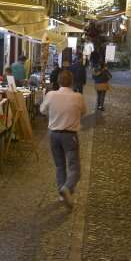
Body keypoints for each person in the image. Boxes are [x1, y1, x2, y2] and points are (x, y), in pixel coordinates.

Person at [39, 70, 86, 209]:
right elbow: (83, 112)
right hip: (70, 136)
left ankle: (62, 195)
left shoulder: (51, 95)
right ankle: (67, 188)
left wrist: (53, 113)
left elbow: (42, 110)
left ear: (58, 81)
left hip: (54, 134)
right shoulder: (78, 97)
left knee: (60, 166)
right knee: (75, 168)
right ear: (72, 82)